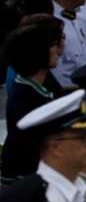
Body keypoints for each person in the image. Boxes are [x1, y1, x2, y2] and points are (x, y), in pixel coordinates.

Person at [1, 22, 64, 182]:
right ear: (38, 52)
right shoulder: (27, 99)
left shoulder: (44, 80)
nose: (56, 50)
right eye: (52, 45)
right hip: (32, 179)